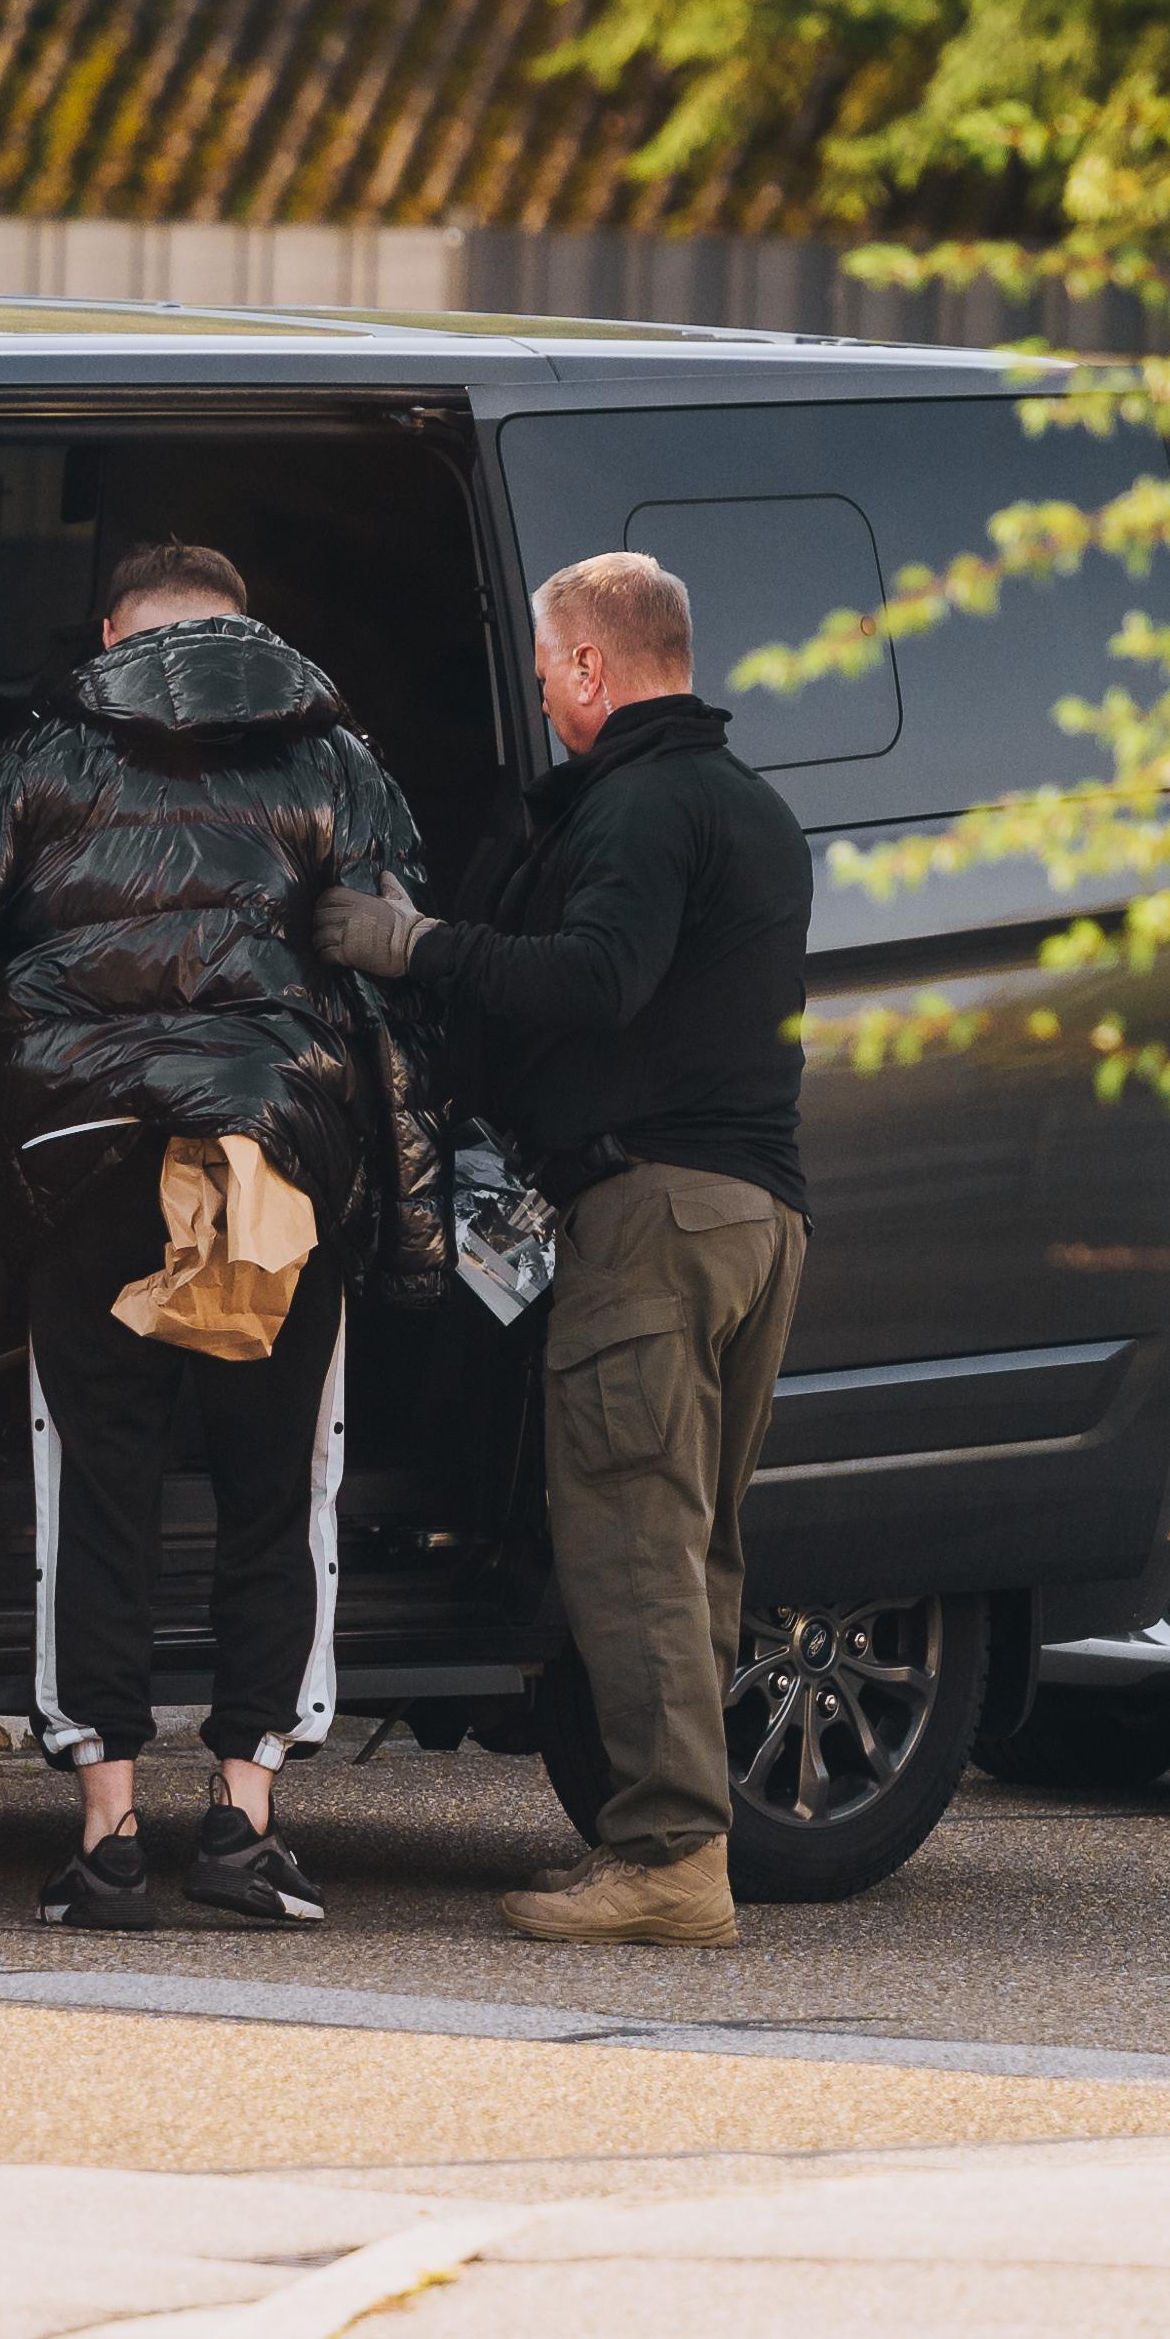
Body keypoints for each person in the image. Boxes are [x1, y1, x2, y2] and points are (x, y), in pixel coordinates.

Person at [0, 541, 445, 1932]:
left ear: (117, 629)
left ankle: (107, 1833)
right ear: (243, 630)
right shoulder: (338, 765)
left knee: (95, 1493)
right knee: (278, 1494)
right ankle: (245, 1820)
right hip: (273, 1164)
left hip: (86, 1168)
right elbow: (391, 998)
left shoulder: (43, 754)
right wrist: (415, 1219)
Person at [315, 549, 813, 1947]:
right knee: (696, 1548)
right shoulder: (751, 808)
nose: (538, 694)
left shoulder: (641, 806)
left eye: (544, 669)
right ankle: (680, 1841)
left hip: (651, 1219)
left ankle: (665, 1862)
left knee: (632, 1546)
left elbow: (598, 979)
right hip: (756, 1219)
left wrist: (416, 947)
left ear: (590, 666)